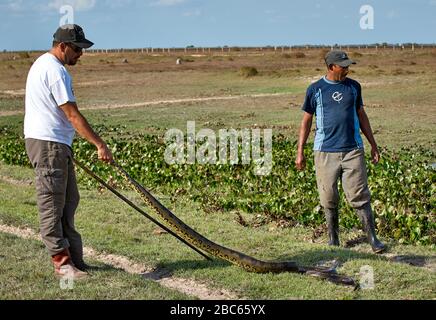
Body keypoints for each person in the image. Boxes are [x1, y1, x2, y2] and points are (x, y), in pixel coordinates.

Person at [24, 24, 113, 278]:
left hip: (56, 145)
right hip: (48, 145)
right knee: (52, 204)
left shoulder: (47, 65)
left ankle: (75, 260)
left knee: (68, 201)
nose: (80, 54)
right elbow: (73, 115)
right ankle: (63, 266)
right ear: (62, 46)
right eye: (76, 49)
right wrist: (99, 144)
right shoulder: (54, 71)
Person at [295, 50, 386, 253]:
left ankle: (372, 238)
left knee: (359, 195)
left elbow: (361, 115)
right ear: (331, 67)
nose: (347, 68)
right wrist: (299, 151)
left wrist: (373, 144)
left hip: (353, 149)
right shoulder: (315, 89)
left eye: (348, 65)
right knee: (328, 196)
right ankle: (333, 239)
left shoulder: (354, 87)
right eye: (343, 65)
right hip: (325, 151)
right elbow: (306, 122)